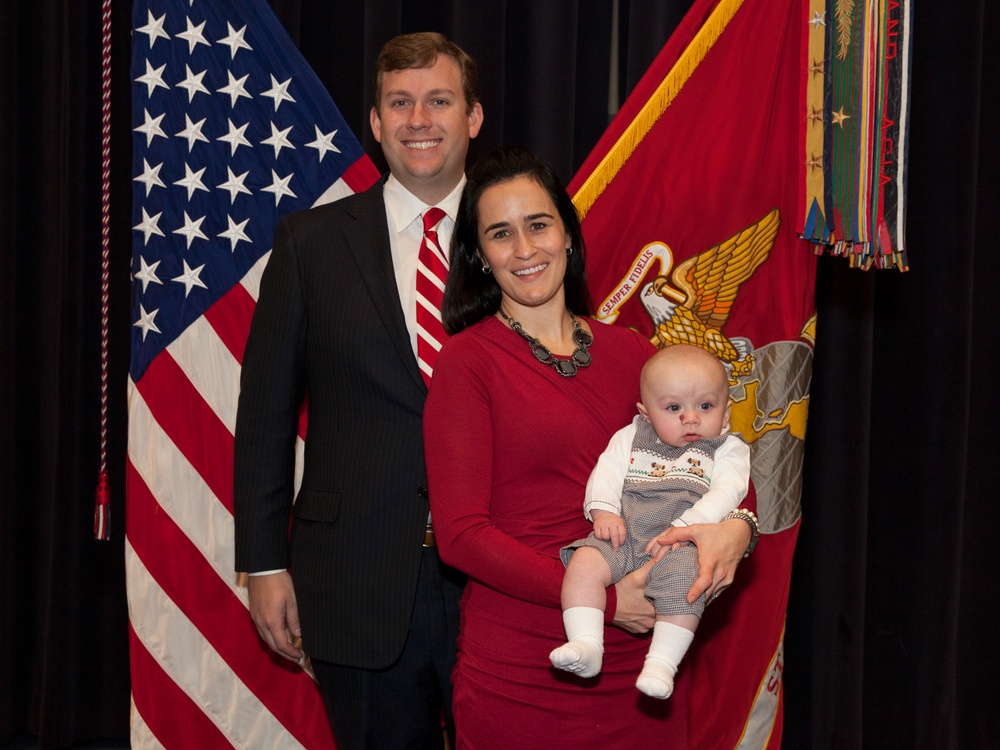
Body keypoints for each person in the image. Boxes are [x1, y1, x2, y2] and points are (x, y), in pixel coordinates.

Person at [423, 146, 759, 748]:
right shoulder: (466, 363)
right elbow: (461, 535)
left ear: (569, 236)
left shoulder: (633, 351)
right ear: (480, 255)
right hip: (524, 672)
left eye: (539, 224)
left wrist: (739, 529)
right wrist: (604, 601)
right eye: (501, 233)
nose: (525, 249)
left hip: (645, 672)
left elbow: (714, 452)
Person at [234, 32, 483, 749]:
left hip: (499, 581)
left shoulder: (519, 242)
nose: (419, 120)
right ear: (374, 123)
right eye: (399, 103)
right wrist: (265, 563)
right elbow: (265, 417)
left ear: (473, 117)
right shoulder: (310, 244)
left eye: (439, 100)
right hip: (354, 580)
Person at [550, 344, 750, 700]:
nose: (690, 418)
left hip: (682, 540)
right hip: (625, 531)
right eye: (674, 408)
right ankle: (586, 643)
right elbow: (606, 473)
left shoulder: (727, 448)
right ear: (645, 412)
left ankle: (661, 663)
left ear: (726, 412)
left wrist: (689, 526)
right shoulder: (632, 436)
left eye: (705, 406)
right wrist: (604, 511)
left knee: (687, 589)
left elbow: (729, 491)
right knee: (584, 564)